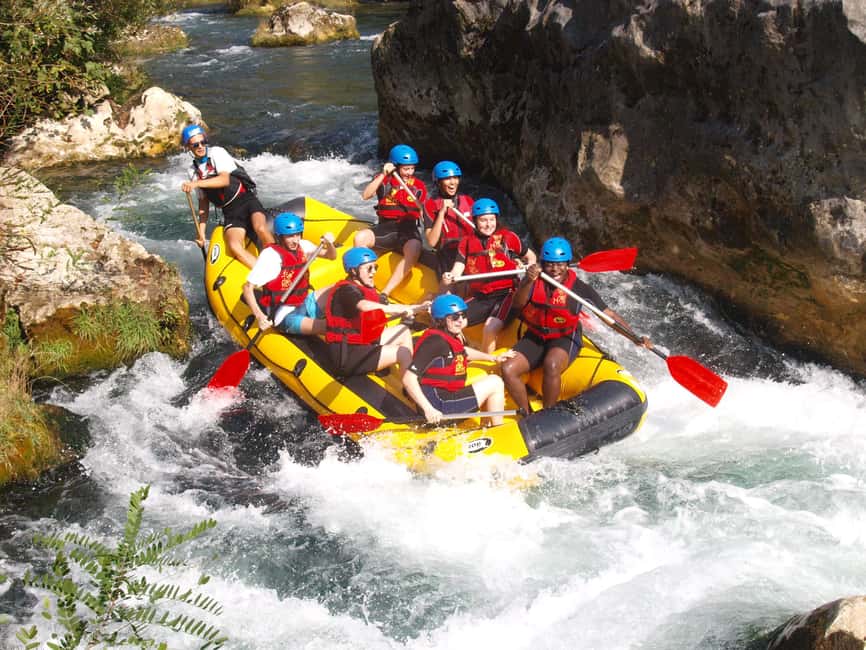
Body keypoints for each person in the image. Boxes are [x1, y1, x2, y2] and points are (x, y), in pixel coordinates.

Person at [501, 237, 650, 414]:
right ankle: (527, 414)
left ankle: (549, 414)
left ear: (568, 264)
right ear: (542, 263)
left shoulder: (579, 288)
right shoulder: (533, 280)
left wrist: (634, 337)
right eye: (549, 264)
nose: (555, 269)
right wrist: (527, 280)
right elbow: (518, 304)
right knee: (508, 368)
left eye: (560, 264)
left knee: (552, 364)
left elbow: (608, 315)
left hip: (564, 337)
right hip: (535, 335)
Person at [441, 198, 536, 354]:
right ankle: (455, 350)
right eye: (483, 220)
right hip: (481, 296)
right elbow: (458, 268)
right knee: (451, 320)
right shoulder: (466, 242)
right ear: (475, 221)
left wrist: (528, 269)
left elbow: (531, 256)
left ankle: (487, 362)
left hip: (506, 295)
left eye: (491, 219)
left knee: (489, 328)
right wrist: (449, 276)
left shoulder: (508, 237)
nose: (488, 224)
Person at [402, 294, 514, 426]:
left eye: (463, 315)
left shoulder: (448, 336)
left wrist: (492, 357)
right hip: (438, 407)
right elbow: (408, 378)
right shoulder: (434, 343)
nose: (460, 320)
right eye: (455, 317)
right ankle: (498, 428)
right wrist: (428, 410)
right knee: (495, 382)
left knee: (488, 380)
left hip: (446, 398)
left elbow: (463, 351)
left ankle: (486, 427)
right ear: (441, 320)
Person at [179, 124, 273, 269]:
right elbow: (203, 203)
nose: (200, 146)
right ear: (188, 147)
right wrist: (201, 233)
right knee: (235, 246)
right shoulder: (192, 171)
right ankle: (266, 274)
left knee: (260, 228)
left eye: (203, 142)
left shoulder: (217, 153)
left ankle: (280, 264)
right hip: (230, 212)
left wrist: (196, 183)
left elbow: (224, 180)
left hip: (247, 200)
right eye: (195, 144)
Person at [324, 247, 428, 377]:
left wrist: (419, 307)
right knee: (403, 352)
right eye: (369, 268)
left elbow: (386, 306)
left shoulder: (362, 288)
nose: (373, 272)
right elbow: (364, 306)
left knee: (403, 331)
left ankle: (405, 375)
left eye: (375, 267)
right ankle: (410, 383)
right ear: (353, 271)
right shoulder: (346, 291)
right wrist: (397, 310)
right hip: (348, 355)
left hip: (362, 341)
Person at [241, 212, 337, 337]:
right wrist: (259, 316)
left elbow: (331, 256)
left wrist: (330, 244)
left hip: (303, 302)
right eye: (290, 236)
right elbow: (247, 288)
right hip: (284, 316)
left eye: (298, 234)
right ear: (279, 237)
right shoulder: (270, 256)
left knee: (340, 288)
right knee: (330, 326)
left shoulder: (304, 245)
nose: (296, 240)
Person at [354, 144, 428, 300]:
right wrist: (383, 174)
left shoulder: (419, 187)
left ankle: (385, 293)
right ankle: (364, 284)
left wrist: (424, 213)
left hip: (407, 229)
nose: (409, 173)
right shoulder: (384, 180)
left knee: (415, 247)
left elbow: (424, 214)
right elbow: (366, 195)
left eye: (412, 168)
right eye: (406, 169)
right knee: (360, 238)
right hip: (386, 228)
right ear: (395, 166)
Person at [423, 160, 475, 277]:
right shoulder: (431, 205)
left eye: (455, 178)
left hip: (470, 252)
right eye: (447, 179)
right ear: (438, 182)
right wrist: (441, 213)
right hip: (447, 256)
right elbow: (431, 242)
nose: (453, 183)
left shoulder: (468, 201)